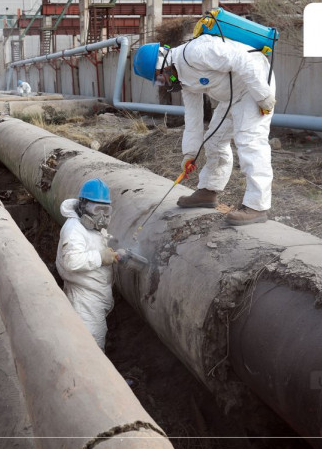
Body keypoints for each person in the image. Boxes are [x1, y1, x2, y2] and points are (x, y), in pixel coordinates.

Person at [133, 37, 276, 226]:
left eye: (160, 77)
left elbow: (243, 59)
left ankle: (257, 206)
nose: (164, 82)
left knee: (250, 141)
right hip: (232, 96)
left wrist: (263, 95)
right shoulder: (185, 81)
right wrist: (190, 154)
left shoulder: (196, 52)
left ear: (164, 62)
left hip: (255, 85)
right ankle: (208, 191)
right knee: (214, 141)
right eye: (159, 82)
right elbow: (193, 118)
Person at [55, 178, 120, 351]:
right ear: (83, 206)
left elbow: (93, 248)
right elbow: (72, 260)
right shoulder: (74, 229)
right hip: (84, 298)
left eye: (106, 210)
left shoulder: (92, 228)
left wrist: (113, 254)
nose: (102, 216)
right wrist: (100, 257)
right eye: (97, 209)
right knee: (90, 348)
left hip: (96, 295)